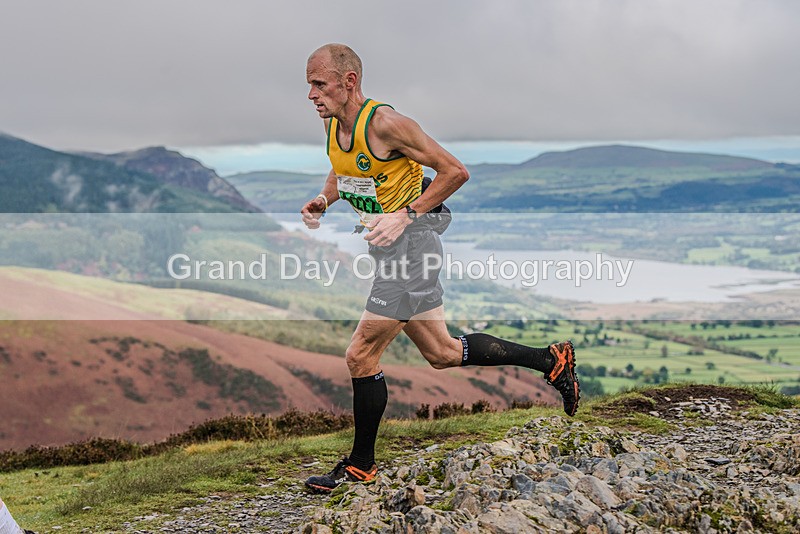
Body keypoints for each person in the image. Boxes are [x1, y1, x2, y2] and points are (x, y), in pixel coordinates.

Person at [300, 43, 579, 493]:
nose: (311, 94)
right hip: (391, 251)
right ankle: (552, 360)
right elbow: (341, 171)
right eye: (309, 85)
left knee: (360, 355)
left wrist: (405, 215)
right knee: (443, 352)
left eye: (319, 83)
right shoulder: (335, 126)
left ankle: (361, 466)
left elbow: (454, 171)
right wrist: (323, 200)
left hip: (413, 250)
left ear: (349, 82)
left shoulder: (387, 124)